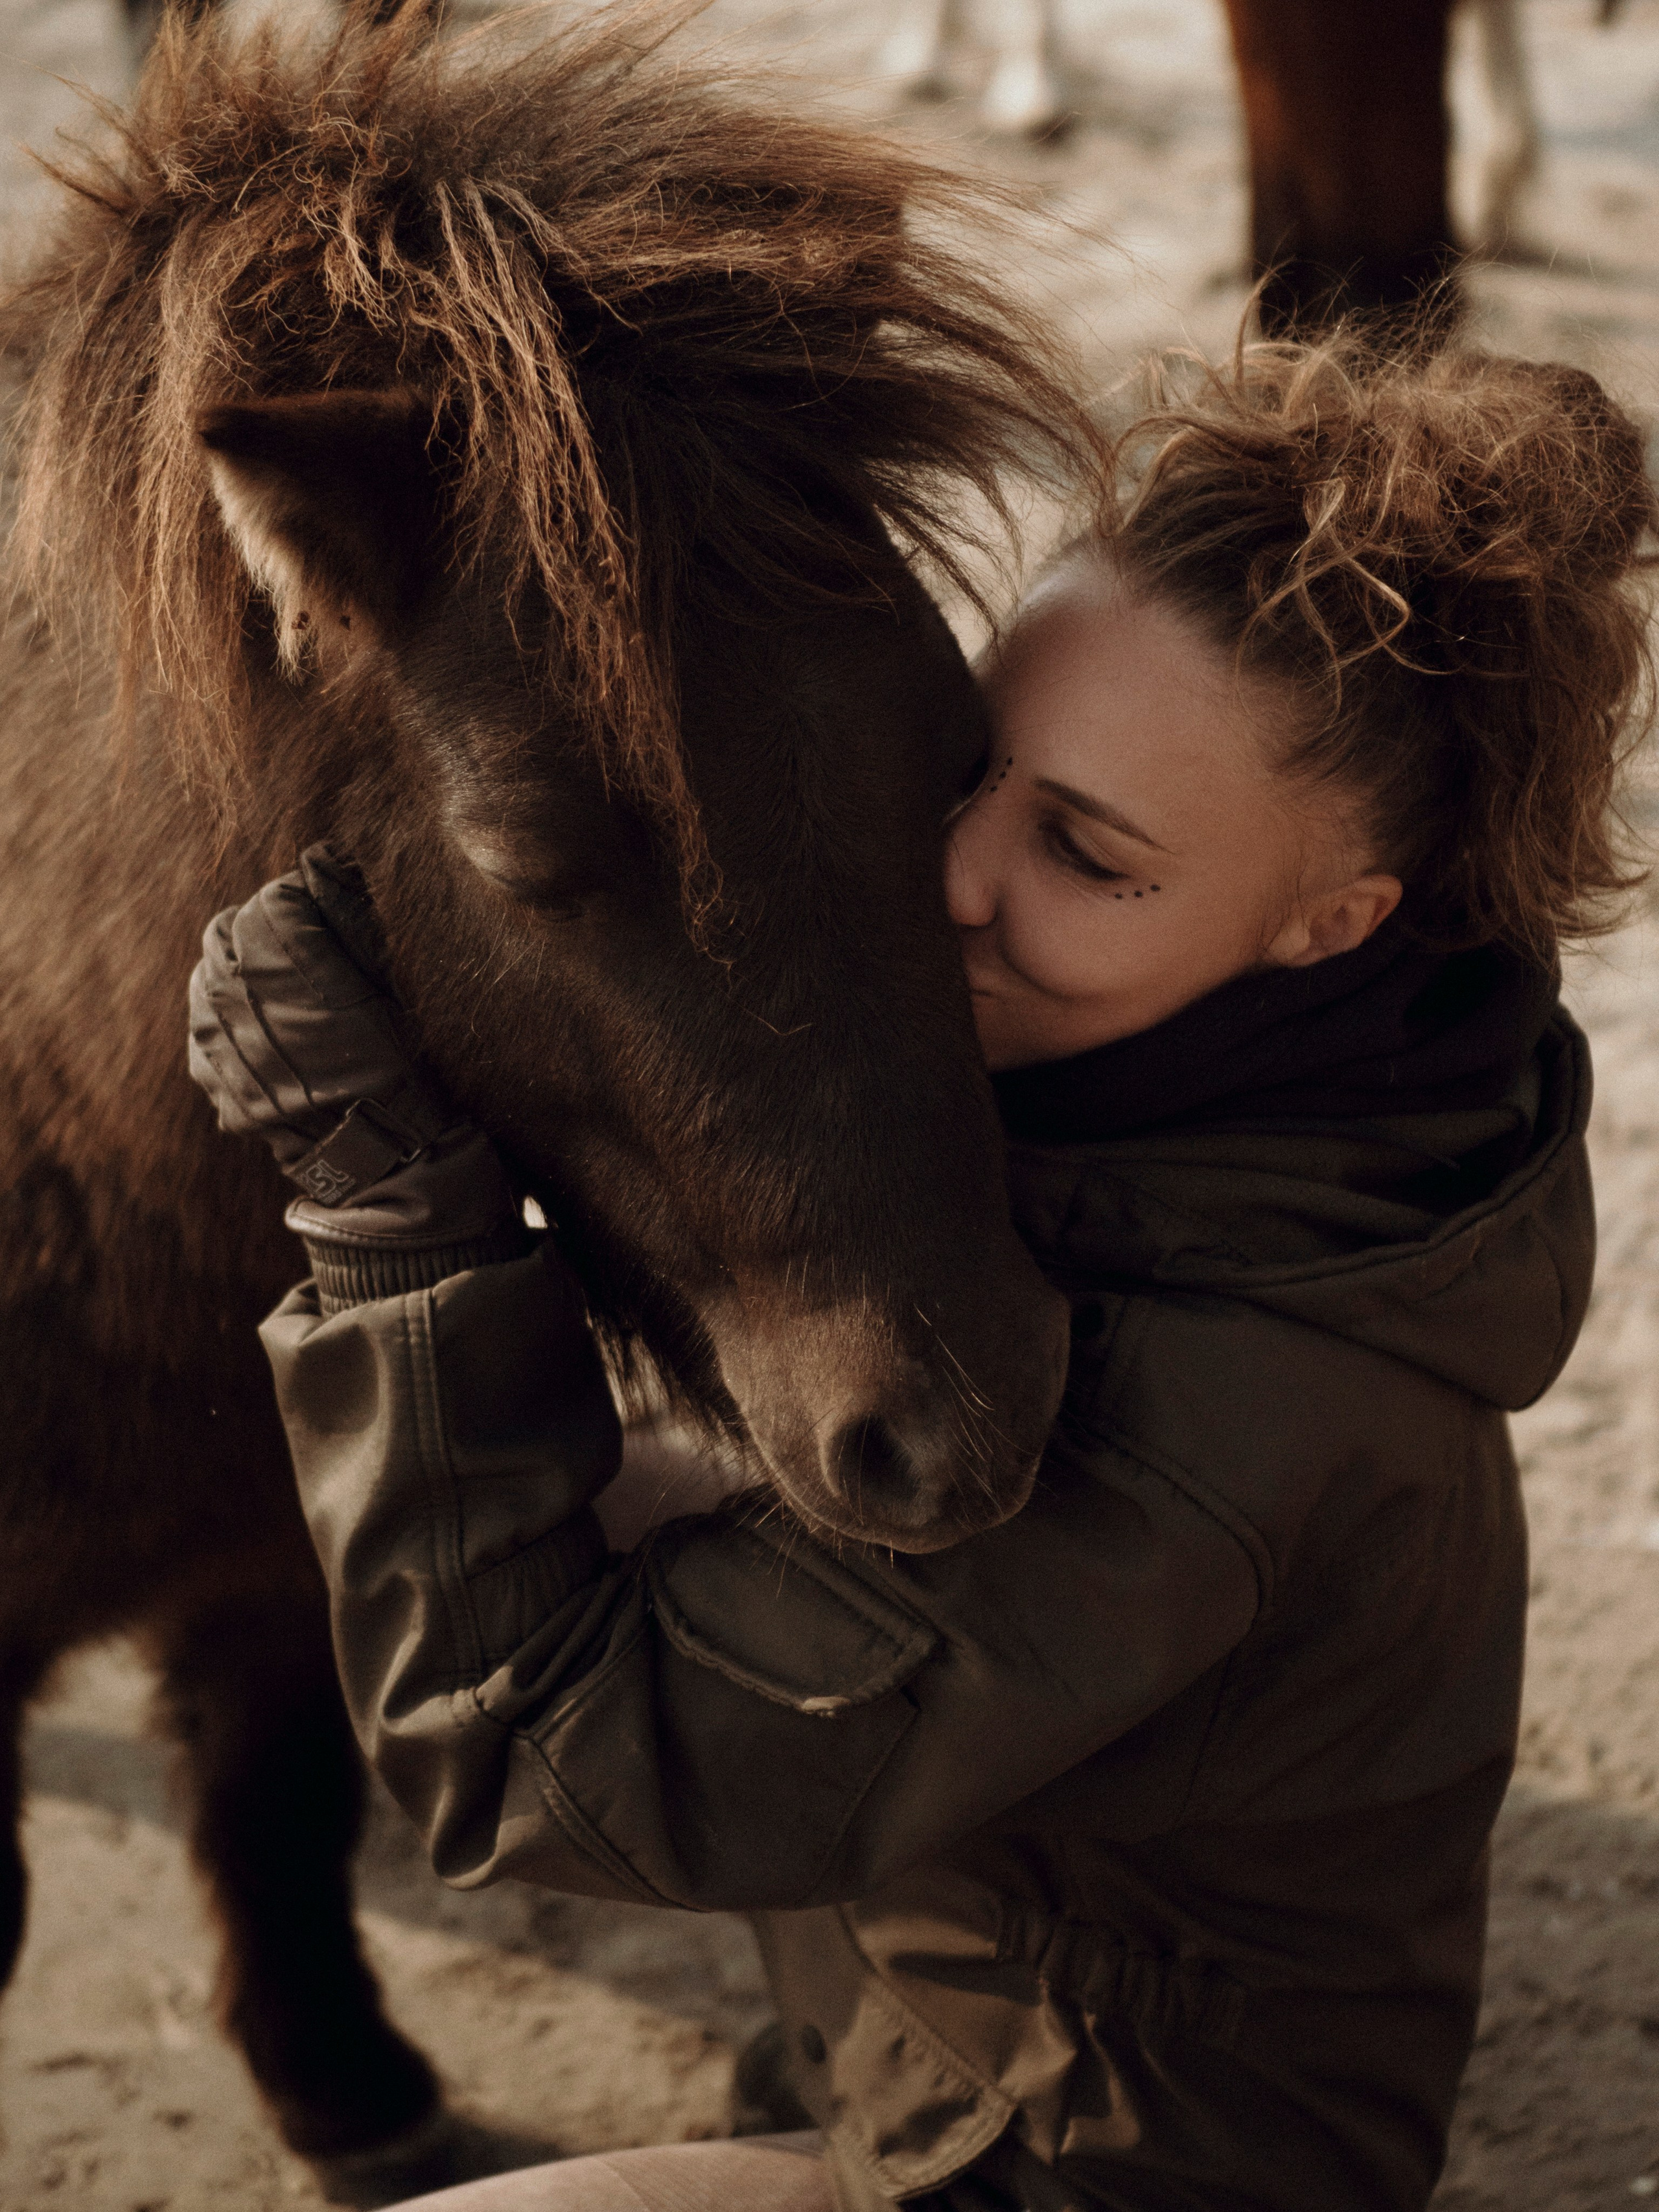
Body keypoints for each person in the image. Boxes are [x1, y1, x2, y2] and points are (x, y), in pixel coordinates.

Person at [187, 332, 1653, 2212]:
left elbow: (547, 1772)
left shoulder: (1220, 1394)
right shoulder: (1274, 1099)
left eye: (1086, 854)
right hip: (953, 2050)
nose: (951, 877)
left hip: (1069, 2177)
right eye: (973, 770)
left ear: (1328, 921)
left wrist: (394, 1215)